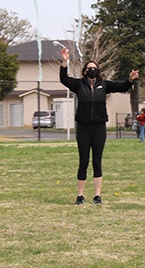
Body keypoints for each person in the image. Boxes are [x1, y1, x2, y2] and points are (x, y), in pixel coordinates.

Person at [58, 47, 139, 205]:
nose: (92, 70)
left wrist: (130, 79)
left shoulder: (104, 85)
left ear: (98, 71)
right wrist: (65, 61)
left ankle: (97, 195)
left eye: (94, 68)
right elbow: (64, 79)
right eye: (89, 69)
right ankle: (80, 196)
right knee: (83, 161)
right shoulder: (78, 85)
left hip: (99, 128)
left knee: (97, 161)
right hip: (83, 128)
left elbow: (122, 87)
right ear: (85, 71)